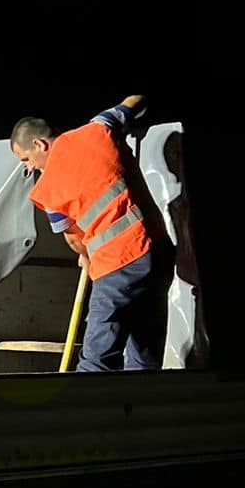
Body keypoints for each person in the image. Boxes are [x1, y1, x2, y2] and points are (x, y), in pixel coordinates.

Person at [11, 96, 169, 373]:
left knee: (97, 361)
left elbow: (73, 239)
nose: (29, 168)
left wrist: (86, 257)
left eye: (26, 159)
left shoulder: (47, 188)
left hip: (117, 264)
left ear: (39, 144)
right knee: (144, 355)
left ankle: (85, 414)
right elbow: (134, 101)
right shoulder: (99, 128)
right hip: (158, 251)